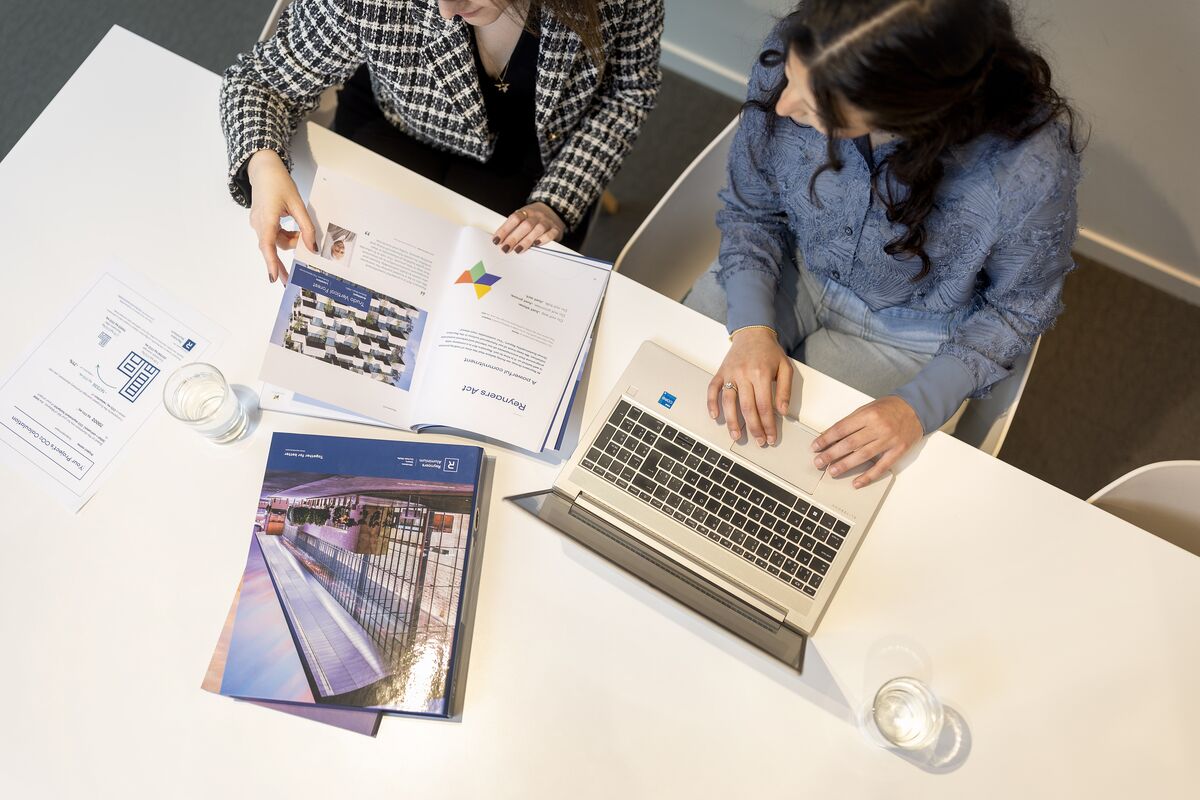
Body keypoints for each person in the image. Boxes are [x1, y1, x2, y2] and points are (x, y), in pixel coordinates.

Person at [685, 0, 1083, 489]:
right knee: (680, 397)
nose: (784, 105)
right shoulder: (808, 49)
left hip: (913, 333)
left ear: (906, 115)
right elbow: (753, 211)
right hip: (795, 262)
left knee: (799, 479)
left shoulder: (1026, 171)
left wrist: (917, 407)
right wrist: (750, 327)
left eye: (818, 107)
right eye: (790, 77)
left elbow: (1016, 310)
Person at [220, 0, 664, 283]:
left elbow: (629, 92)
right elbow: (259, 81)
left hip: (535, 158)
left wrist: (558, 201)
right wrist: (262, 164)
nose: (446, 10)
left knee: (495, 292)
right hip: (396, 125)